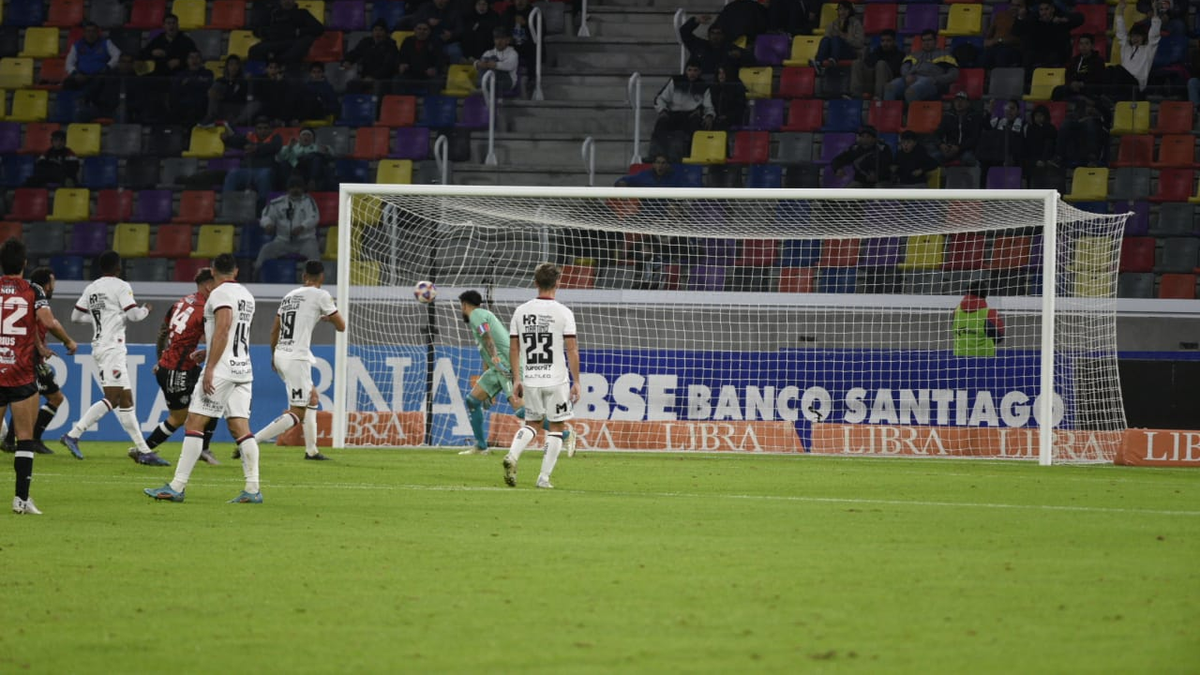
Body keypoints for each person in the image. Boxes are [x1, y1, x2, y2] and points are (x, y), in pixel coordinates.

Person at [145, 254, 262, 504]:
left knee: (194, 423)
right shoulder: (247, 296)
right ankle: (252, 489)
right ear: (237, 271)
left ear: (213, 270)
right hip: (243, 368)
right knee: (241, 428)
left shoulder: (218, 294)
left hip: (221, 370)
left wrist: (209, 367)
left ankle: (176, 487)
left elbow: (223, 328)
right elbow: (234, 335)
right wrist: (208, 352)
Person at [60, 251, 167, 465]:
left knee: (126, 401)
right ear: (118, 268)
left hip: (101, 345)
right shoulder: (120, 286)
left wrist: (100, 319)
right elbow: (134, 316)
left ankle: (144, 451)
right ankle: (73, 434)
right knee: (113, 398)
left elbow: (75, 316)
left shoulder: (92, 288)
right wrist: (145, 309)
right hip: (112, 348)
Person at [251, 260, 345, 461]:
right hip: (297, 357)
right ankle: (251, 441)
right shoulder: (322, 295)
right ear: (322, 277)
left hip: (281, 353)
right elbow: (342, 326)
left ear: (304, 277)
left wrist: (273, 355)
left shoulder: (289, 296)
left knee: (312, 398)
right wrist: (328, 316)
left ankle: (311, 450)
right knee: (298, 412)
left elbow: (274, 329)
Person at [1, 241, 67, 514]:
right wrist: (69, 341)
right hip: (20, 373)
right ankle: (21, 500)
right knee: (25, 438)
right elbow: (49, 321)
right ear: (25, 263)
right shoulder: (33, 290)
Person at [502, 263, 581, 489]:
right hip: (557, 379)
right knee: (557, 428)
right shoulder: (564, 312)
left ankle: (513, 455)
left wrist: (517, 378)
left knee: (532, 423)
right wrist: (577, 381)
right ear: (558, 283)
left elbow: (514, 349)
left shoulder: (521, 311)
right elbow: (572, 349)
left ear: (535, 283)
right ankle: (543, 478)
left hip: (532, 378)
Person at [140, 267, 220, 466]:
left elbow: (162, 332)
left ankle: (203, 448)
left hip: (178, 365)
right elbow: (216, 338)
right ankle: (143, 450)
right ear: (209, 285)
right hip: (178, 369)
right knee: (179, 417)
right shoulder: (206, 308)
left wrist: (160, 360)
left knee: (214, 398)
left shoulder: (181, 302)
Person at [1, 267, 78, 456]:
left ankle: (13, 440)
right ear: (45, 285)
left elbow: (32, 326)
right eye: (52, 283)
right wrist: (65, 341)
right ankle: (28, 440)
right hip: (29, 360)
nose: (53, 287)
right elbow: (47, 324)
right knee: (50, 397)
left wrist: (41, 347)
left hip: (23, 357)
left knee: (27, 398)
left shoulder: (26, 297)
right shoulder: (35, 296)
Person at [255, 175, 321, 277]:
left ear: (303, 189)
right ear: (288, 189)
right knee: (266, 250)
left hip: (305, 241)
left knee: (314, 255)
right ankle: (256, 275)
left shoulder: (309, 201)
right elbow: (265, 216)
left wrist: (302, 226)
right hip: (283, 241)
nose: (295, 190)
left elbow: (314, 217)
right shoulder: (277, 203)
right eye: (293, 187)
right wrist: (267, 224)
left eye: (298, 187)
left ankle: (314, 280)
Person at [651, 58, 714, 161]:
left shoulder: (704, 86)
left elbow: (708, 106)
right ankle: (656, 156)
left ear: (700, 72)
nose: (692, 73)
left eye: (695, 70)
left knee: (696, 125)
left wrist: (709, 116)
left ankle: (688, 157)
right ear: (686, 71)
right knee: (661, 122)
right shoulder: (675, 81)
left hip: (691, 115)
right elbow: (660, 99)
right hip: (673, 114)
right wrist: (662, 111)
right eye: (689, 70)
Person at [221, 117, 283, 210]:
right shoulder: (250, 137)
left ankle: (263, 209)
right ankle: (227, 208)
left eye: (266, 128)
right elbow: (236, 141)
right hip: (246, 171)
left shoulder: (276, 137)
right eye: (259, 128)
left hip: (265, 171)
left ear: (270, 130)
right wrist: (226, 139)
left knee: (265, 175)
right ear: (255, 129)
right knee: (232, 174)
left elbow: (275, 147)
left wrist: (257, 148)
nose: (263, 131)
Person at [1106, 0, 1161, 98]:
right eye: (1133, 36)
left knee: (1118, 69)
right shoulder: (1126, 49)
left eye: (1138, 36)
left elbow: (1154, 34)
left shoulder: (1148, 50)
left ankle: (1111, 97)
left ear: (1143, 38)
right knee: (1109, 69)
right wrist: (1120, 11)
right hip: (1123, 83)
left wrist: (1155, 10)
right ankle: (1108, 96)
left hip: (1137, 86)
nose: (1135, 38)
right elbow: (1121, 34)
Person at [885, 30, 959, 102]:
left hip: (931, 81)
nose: (926, 43)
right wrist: (907, 76)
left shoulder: (945, 55)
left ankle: (911, 114)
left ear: (936, 41)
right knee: (889, 87)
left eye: (929, 40)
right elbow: (904, 67)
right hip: (911, 78)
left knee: (911, 92)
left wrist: (936, 79)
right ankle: (889, 114)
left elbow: (954, 74)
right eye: (924, 40)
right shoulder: (913, 55)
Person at [248, 0, 324, 66]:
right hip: (274, 42)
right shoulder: (272, 13)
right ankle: (256, 79)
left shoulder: (302, 13)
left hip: (293, 43)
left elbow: (319, 29)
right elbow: (256, 30)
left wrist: (298, 31)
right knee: (254, 50)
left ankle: (279, 63)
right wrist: (266, 32)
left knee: (304, 43)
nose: (287, 1)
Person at [1013, 1, 1083, 70]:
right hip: (1039, 51)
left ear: (1052, 9)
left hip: (1058, 51)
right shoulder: (1034, 18)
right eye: (1041, 10)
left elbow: (1080, 18)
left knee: (1053, 58)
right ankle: (1028, 80)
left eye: (1046, 9)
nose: (1044, 12)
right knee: (1027, 57)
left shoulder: (1059, 17)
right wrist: (1020, 17)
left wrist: (1063, 20)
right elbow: (1017, 32)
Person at [676, 14, 746, 77]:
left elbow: (749, 57)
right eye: (712, 33)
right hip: (698, 84)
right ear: (708, 35)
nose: (715, 36)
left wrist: (740, 55)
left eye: (718, 33)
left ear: (723, 35)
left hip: (721, 85)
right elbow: (684, 32)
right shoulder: (698, 45)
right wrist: (696, 21)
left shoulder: (730, 48)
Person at [343, 19, 400, 93]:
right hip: (366, 77)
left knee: (377, 87)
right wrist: (348, 60)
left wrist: (373, 77)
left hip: (383, 79)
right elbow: (355, 52)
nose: (378, 33)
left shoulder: (391, 46)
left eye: (381, 30)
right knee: (351, 85)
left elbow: (388, 67)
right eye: (375, 30)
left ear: (386, 33)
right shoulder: (366, 42)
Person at [64, 22, 121, 95]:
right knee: (68, 83)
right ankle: (69, 105)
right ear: (84, 33)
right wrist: (75, 74)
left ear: (98, 33)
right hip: (82, 75)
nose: (91, 34)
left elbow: (118, 55)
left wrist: (108, 67)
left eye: (93, 31)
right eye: (88, 31)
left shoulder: (106, 43)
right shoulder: (77, 45)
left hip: (100, 75)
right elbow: (69, 62)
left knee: (98, 84)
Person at [401, 0, 465, 64]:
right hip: (428, 41)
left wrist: (451, 34)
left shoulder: (455, 10)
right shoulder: (425, 7)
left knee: (455, 51)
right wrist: (427, 21)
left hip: (448, 43)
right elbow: (415, 22)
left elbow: (460, 29)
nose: (440, 1)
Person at [953, 282, 1005, 357]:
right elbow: (999, 337)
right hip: (984, 360)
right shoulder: (989, 313)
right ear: (985, 294)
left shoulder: (956, 311)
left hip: (959, 360)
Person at [811, 2, 864, 74]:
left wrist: (845, 37)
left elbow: (859, 43)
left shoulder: (856, 23)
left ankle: (834, 59)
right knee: (825, 39)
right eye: (840, 9)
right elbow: (827, 40)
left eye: (845, 9)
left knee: (836, 39)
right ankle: (818, 63)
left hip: (850, 52)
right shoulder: (832, 24)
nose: (842, 12)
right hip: (833, 50)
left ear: (850, 10)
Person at [851, 29, 903, 101]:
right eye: (883, 41)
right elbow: (868, 63)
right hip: (872, 82)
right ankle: (855, 96)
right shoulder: (876, 52)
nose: (885, 43)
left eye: (888, 41)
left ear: (894, 42)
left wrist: (879, 66)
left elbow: (895, 71)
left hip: (887, 84)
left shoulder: (900, 55)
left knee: (881, 64)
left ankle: (878, 97)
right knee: (857, 63)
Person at [200, 55, 252, 127]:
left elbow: (243, 99)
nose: (234, 67)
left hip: (238, 109)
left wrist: (223, 97)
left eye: (236, 64)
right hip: (222, 108)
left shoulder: (243, 82)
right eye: (231, 64)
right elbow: (213, 94)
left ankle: (234, 123)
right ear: (227, 67)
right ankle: (211, 118)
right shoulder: (221, 81)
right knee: (215, 88)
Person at [933, 91, 983, 166]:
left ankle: (980, 174)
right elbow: (937, 134)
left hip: (967, 149)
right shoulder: (948, 116)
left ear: (968, 103)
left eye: (962, 101)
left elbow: (975, 137)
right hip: (950, 148)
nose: (959, 103)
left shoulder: (975, 117)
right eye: (956, 101)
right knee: (933, 158)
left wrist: (959, 148)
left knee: (967, 158)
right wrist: (941, 145)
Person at [1053, 34, 1107, 101]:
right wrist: (1072, 83)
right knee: (1058, 90)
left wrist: (1082, 84)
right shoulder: (1074, 60)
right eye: (1081, 44)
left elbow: (1098, 78)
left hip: (1088, 87)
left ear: (1092, 46)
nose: (1083, 46)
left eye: (1086, 43)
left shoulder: (1098, 61)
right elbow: (1068, 74)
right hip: (1074, 87)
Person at [168, 51, 214, 127]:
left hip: (201, 107)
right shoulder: (181, 74)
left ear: (201, 60)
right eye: (191, 57)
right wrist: (197, 82)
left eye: (197, 57)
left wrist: (188, 83)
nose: (194, 60)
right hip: (184, 108)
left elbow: (207, 86)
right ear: (187, 60)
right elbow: (176, 91)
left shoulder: (207, 73)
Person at [397, 23, 444, 92]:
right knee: (397, 79)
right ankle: (400, 102)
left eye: (425, 29)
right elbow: (401, 57)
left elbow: (440, 60)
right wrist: (401, 64)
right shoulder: (408, 41)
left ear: (429, 31)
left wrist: (435, 69)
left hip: (427, 76)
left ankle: (431, 102)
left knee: (437, 81)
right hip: (410, 74)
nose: (422, 31)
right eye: (419, 29)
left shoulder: (435, 42)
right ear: (415, 30)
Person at [474, 27, 519, 94]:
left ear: (508, 40)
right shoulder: (488, 52)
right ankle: (483, 86)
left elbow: (510, 66)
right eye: (497, 38)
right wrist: (477, 63)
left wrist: (495, 65)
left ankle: (483, 87)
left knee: (492, 59)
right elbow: (479, 65)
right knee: (485, 60)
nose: (499, 41)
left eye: (502, 38)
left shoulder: (513, 53)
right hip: (492, 81)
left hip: (508, 81)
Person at [981, 0, 1024, 69]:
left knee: (1002, 56)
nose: (1015, 8)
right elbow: (990, 33)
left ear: (1024, 8)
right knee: (983, 58)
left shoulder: (1026, 19)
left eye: (1018, 6)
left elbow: (1019, 39)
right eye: (1013, 5)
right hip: (995, 46)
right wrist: (986, 40)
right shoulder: (1001, 15)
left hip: (1013, 48)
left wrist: (998, 40)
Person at [1022, 104, 1058, 177]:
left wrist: (1043, 160)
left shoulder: (1051, 128)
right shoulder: (1030, 128)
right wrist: (1035, 161)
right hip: (1033, 158)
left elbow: (1050, 145)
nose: (1038, 118)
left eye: (1041, 115)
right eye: (1036, 116)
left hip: (1047, 158)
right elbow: (1028, 146)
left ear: (1045, 116)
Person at [615, 153, 686, 188]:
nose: (660, 165)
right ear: (653, 164)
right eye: (658, 163)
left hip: (666, 210)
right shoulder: (644, 176)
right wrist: (622, 183)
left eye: (663, 163)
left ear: (668, 165)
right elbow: (624, 181)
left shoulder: (675, 178)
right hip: (647, 210)